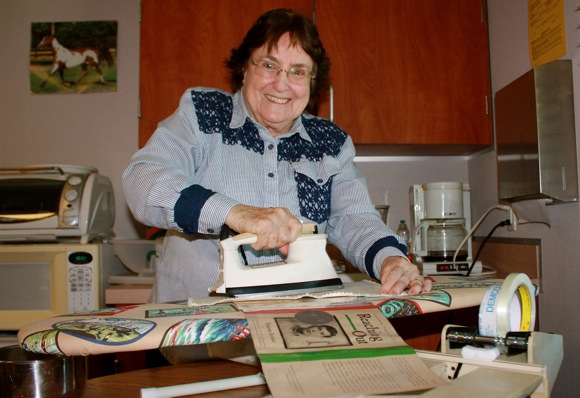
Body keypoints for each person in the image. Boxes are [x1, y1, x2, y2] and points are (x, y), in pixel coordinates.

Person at [122, 8, 432, 304]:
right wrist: (235, 213)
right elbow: (143, 181)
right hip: (195, 335)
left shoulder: (330, 143)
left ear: (312, 83)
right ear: (245, 68)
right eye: (269, 65)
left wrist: (390, 260)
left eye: (298, 71)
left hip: (292, 324)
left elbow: (355, 219)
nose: (281, 84)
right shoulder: (202, 114)